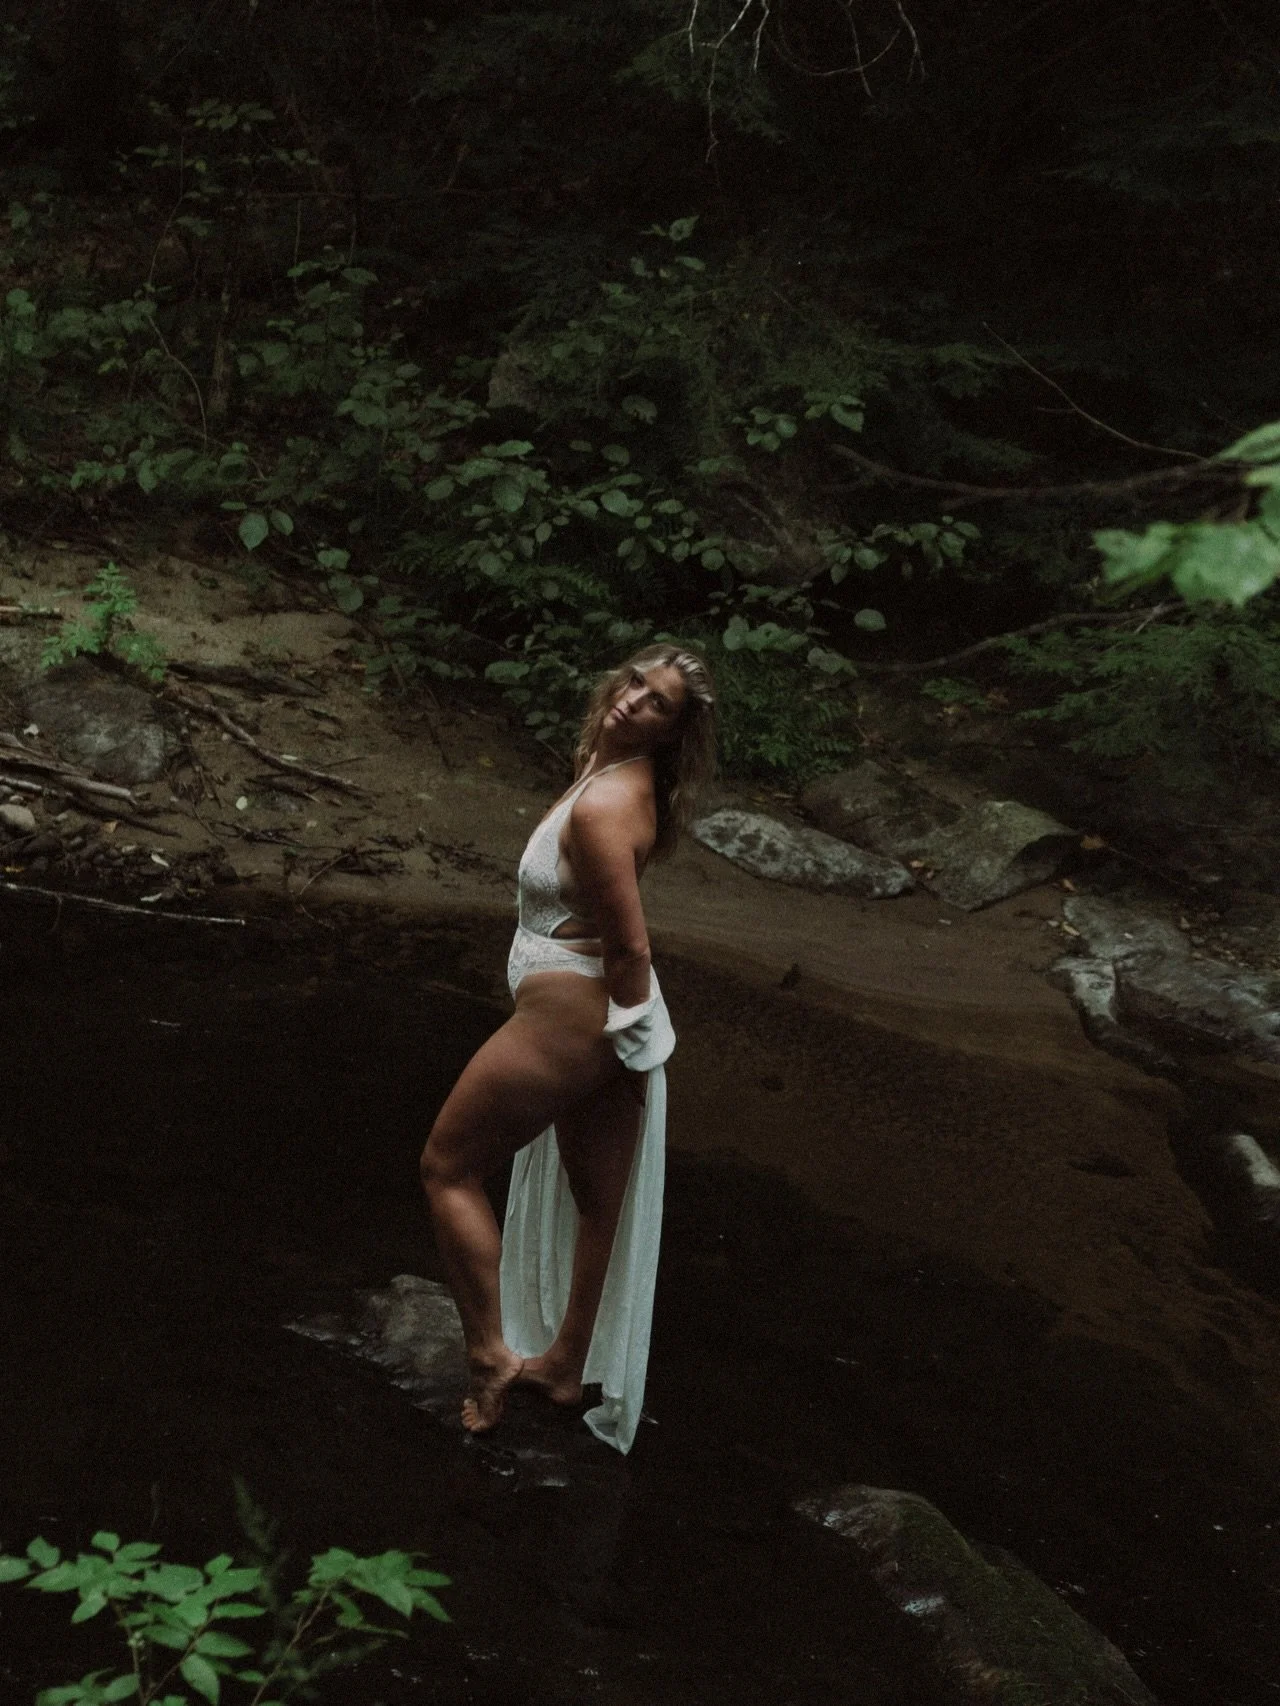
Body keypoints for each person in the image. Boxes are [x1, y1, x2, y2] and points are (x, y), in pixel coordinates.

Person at [421, 644, 716, 1450]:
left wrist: (631, 1042)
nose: (631, 701)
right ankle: (562, 1363)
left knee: (447, 1168)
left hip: (585, 1011)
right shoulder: (607, 768)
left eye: (656, 702)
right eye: (632, 682)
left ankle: (488, 1353)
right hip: (600, 1014)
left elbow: (631, 947)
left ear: (672, 731)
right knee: (599, 1204)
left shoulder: (604, 805)